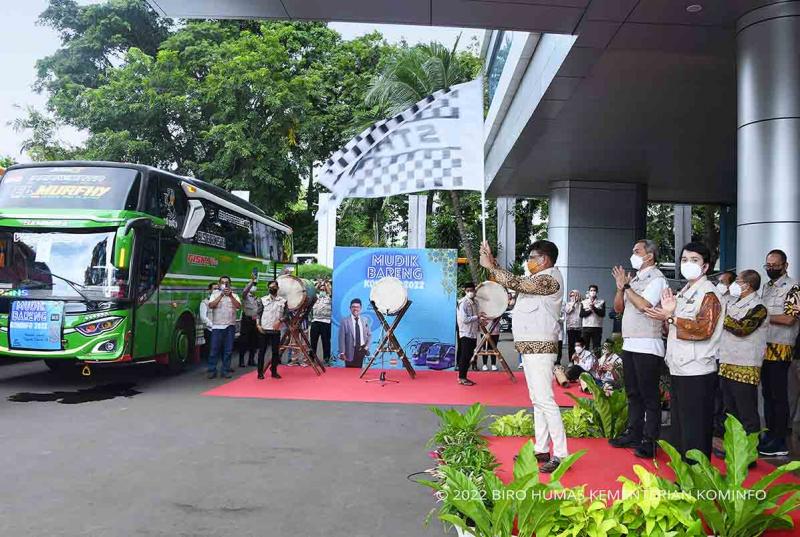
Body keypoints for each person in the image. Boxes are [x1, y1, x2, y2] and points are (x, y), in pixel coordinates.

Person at [480, 239, 569, 474]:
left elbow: (518, 283)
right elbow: (519, 284)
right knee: (538, 400)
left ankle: (561, 454)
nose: (528, 262)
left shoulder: (550, 278)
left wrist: (492, 267)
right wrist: (493, 263)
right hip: (530, 348)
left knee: (546, 401)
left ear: (544, 260)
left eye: (532, 257)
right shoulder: (535, 279)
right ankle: (541, 448)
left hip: (541, 347)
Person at [645, 242, 724, 461]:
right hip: (680, 367)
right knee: (680, 429)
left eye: (695, 260)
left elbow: (703, 329)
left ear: (706, 267)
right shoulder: (683, 293)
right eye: (684, 260)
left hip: (697, 370)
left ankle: (698, 482)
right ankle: (684, 479)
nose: (688, 264)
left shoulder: (709, 294)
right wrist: (666, 317)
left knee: (695, 430)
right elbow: (672, 327)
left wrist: (669, 317)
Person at [610, 239, 668, 458]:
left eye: (637, 251)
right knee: (633, 392)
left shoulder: (657, 279)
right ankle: (633, 433)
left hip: (648, 344)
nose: (632, 255)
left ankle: (650, 439)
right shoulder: (633, 279)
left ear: (649, 256)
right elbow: (618, 308)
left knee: (649, 395)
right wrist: (620, 288)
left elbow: (645, 305)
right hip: (630, 343)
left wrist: (626, 287)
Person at [717, 270, 768, 455]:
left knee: (747, 412)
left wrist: (721, 316)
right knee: (731, 411)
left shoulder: (759, 307)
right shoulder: (731, 301)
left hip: (746, 364)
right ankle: (734, 451)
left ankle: (751, 452)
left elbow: (742, 328)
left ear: (748, 285)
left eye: (737, 281)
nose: (734, 285)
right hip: (727, 361)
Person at [758, 249, 800, 457]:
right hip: (764, 346)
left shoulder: (793, 288)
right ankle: (770, 434)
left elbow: (789, 319)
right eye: (768, 266)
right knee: (767, 394)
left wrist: (762, 316)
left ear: (785, 265)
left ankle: (780, 439)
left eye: (775, 265)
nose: (771, 269)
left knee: (778, 395)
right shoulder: (766, 287)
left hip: (781, 346)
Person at [207, 275, 242, 379]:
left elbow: (239, 306)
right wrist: (221, 295)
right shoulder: (214, 294)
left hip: (230, 326)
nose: (224, 284)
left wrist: (230, 296)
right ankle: (212, 370)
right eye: (222, 282)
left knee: (228, 350)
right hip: (217, 326)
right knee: (214, 350)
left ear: (230, 284)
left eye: (227, 283)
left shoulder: (234, 295)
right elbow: (211, 305)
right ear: (219, 284)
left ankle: (225, 370)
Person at [256, 280, 287, 379]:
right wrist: (258, 325)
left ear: (277, 288)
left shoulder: (283, 301)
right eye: (270, 287)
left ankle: (274, 371)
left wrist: (280, 320)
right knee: (262, 351)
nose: (272, 289)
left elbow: (287, 315)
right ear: (268, 288)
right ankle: (260, 372)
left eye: (274, 287)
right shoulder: (263, 300)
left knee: (275, 352)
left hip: (276, 330)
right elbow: (258, 314)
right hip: (264, 329)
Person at [456, 282, 479, 385]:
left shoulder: (475, 302)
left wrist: (480, 320)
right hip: (465, 333)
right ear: (465, 291)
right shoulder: (463, 303)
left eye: (472, 290)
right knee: (465, 355)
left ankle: (464, 376)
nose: (470, 292)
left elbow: (476, 316)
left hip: (473, 333)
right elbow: (464, 319)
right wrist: (477, 317)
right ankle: (462, 377)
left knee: (469, 354)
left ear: (475, 291)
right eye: (468, 291)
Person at [338, 298, 372, 368]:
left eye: (357, 307)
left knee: (359, 372)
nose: (355, 309)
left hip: (362, 350)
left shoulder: (365, 320)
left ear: (361, 308)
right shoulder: (345, 321)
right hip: (349, 351)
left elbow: (369, 335)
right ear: (350, 308)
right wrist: (342, 352)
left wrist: (366, 347)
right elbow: (341, 338)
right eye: (353, 307)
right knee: (349, 373)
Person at [238, 275, 259, 368]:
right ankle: (241, 360)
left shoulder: (257, 298)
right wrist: (252, 281)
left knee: (254, 342)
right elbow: (244, 291)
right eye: (253, 285)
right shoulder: (246, 296)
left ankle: (251, 359)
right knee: (244, 341)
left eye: (255, 285)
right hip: (246, 320)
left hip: (255, 321)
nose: (254, 287)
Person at [310, 280, 332, 365]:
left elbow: (330, 293)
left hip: (326, 322)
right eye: (321, 290)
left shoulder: (329, 297)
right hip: (315, 321)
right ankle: (312, 358)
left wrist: (326, 286)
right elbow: (312, 293)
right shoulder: (316, 297)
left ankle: (326, 359)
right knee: (313, 341)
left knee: (326, 341)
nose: (322, 291)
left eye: (324, 290)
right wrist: (318, 285)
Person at [580, 284, 606, 351]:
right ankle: (585, 361)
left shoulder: (601, 302)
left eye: (594, 290)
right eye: (591, 290)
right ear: (588, 291)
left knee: (596, 347)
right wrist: (590, 310)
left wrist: (594, 308)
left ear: (597, 292)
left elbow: (602, 314)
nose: (593, 292)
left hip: (597, 327)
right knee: (585, 347)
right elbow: (581, 314)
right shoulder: (584, 302)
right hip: (586, 327)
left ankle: (596, 361)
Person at [563, 289, 582, 362]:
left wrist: (578, 302)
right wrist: (573, 303)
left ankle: (578, 361)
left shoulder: (581, 304)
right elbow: (568, 311)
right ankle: (571, 361)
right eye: (571, 295)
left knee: (579, 345)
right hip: (570, 327)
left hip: (579, 328)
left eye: (574, 295)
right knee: (571, 345)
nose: (572, 297)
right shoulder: (567, 304)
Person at [199, 283, 216, 362]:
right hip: (210, 329)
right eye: (214, 289)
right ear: (209, 290)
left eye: (217, 289)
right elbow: (203, 317)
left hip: (219, 328)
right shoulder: (204, 302)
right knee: (210, 349)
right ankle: (211, 368)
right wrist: (212, 325)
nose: (216, 290)